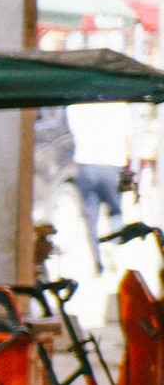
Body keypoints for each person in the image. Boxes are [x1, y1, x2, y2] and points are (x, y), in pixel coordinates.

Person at [67, 102, 131, 272]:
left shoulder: (78, 106)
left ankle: (97, 261)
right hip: (113, 164)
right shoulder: (119, 105)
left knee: (91, 216)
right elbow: (127, 139)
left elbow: (71, 130)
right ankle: (115, 252)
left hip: (86, 164)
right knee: (116, 211)